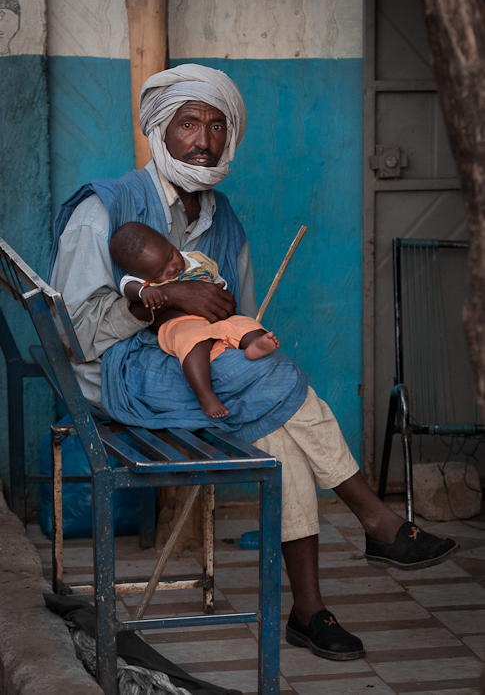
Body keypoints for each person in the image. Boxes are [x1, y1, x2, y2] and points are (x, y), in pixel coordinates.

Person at [48, 64, 458, 662]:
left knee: (277, 429)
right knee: (268, 374)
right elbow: (76, 334)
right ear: (161, 130)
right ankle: (375, 519)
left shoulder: (225, 220)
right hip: (114, 376)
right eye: (188, 123)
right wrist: (165, 299)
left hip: (196, 372)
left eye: (216, 126)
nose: (203, 140)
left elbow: (234, 315)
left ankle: (309, 611)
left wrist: (223, 323)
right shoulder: (104, 208)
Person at [109, 221, 280, 418]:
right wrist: (144, 291)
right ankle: (205, 395)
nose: (172, 268)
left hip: (213, 318)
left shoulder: (195, 259)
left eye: (171, 256)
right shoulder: (140, 281)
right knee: (193, 344)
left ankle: (255, 344)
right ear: (140, 275)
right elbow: (128, 287)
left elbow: (217, 281)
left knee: (244, 323)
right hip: (180, 324)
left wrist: (221, 293)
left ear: (167, 241)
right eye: (160, 272)